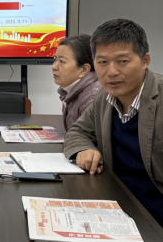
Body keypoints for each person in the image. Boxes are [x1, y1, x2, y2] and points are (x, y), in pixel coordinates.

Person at [64, 19, 163, 225]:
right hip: (114, 206)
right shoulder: (104, 96)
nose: (112, 72)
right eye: (102, 62)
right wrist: (83, 149)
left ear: (145, 60)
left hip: (154, 218)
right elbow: (78, 132)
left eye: (123, 61)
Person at [52, 34, 101, 130]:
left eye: (62, 61)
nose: (54, 67)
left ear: (84, 69)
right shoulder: (70, 91)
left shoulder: (92, 98)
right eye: (55, 60)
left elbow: (89, 138)